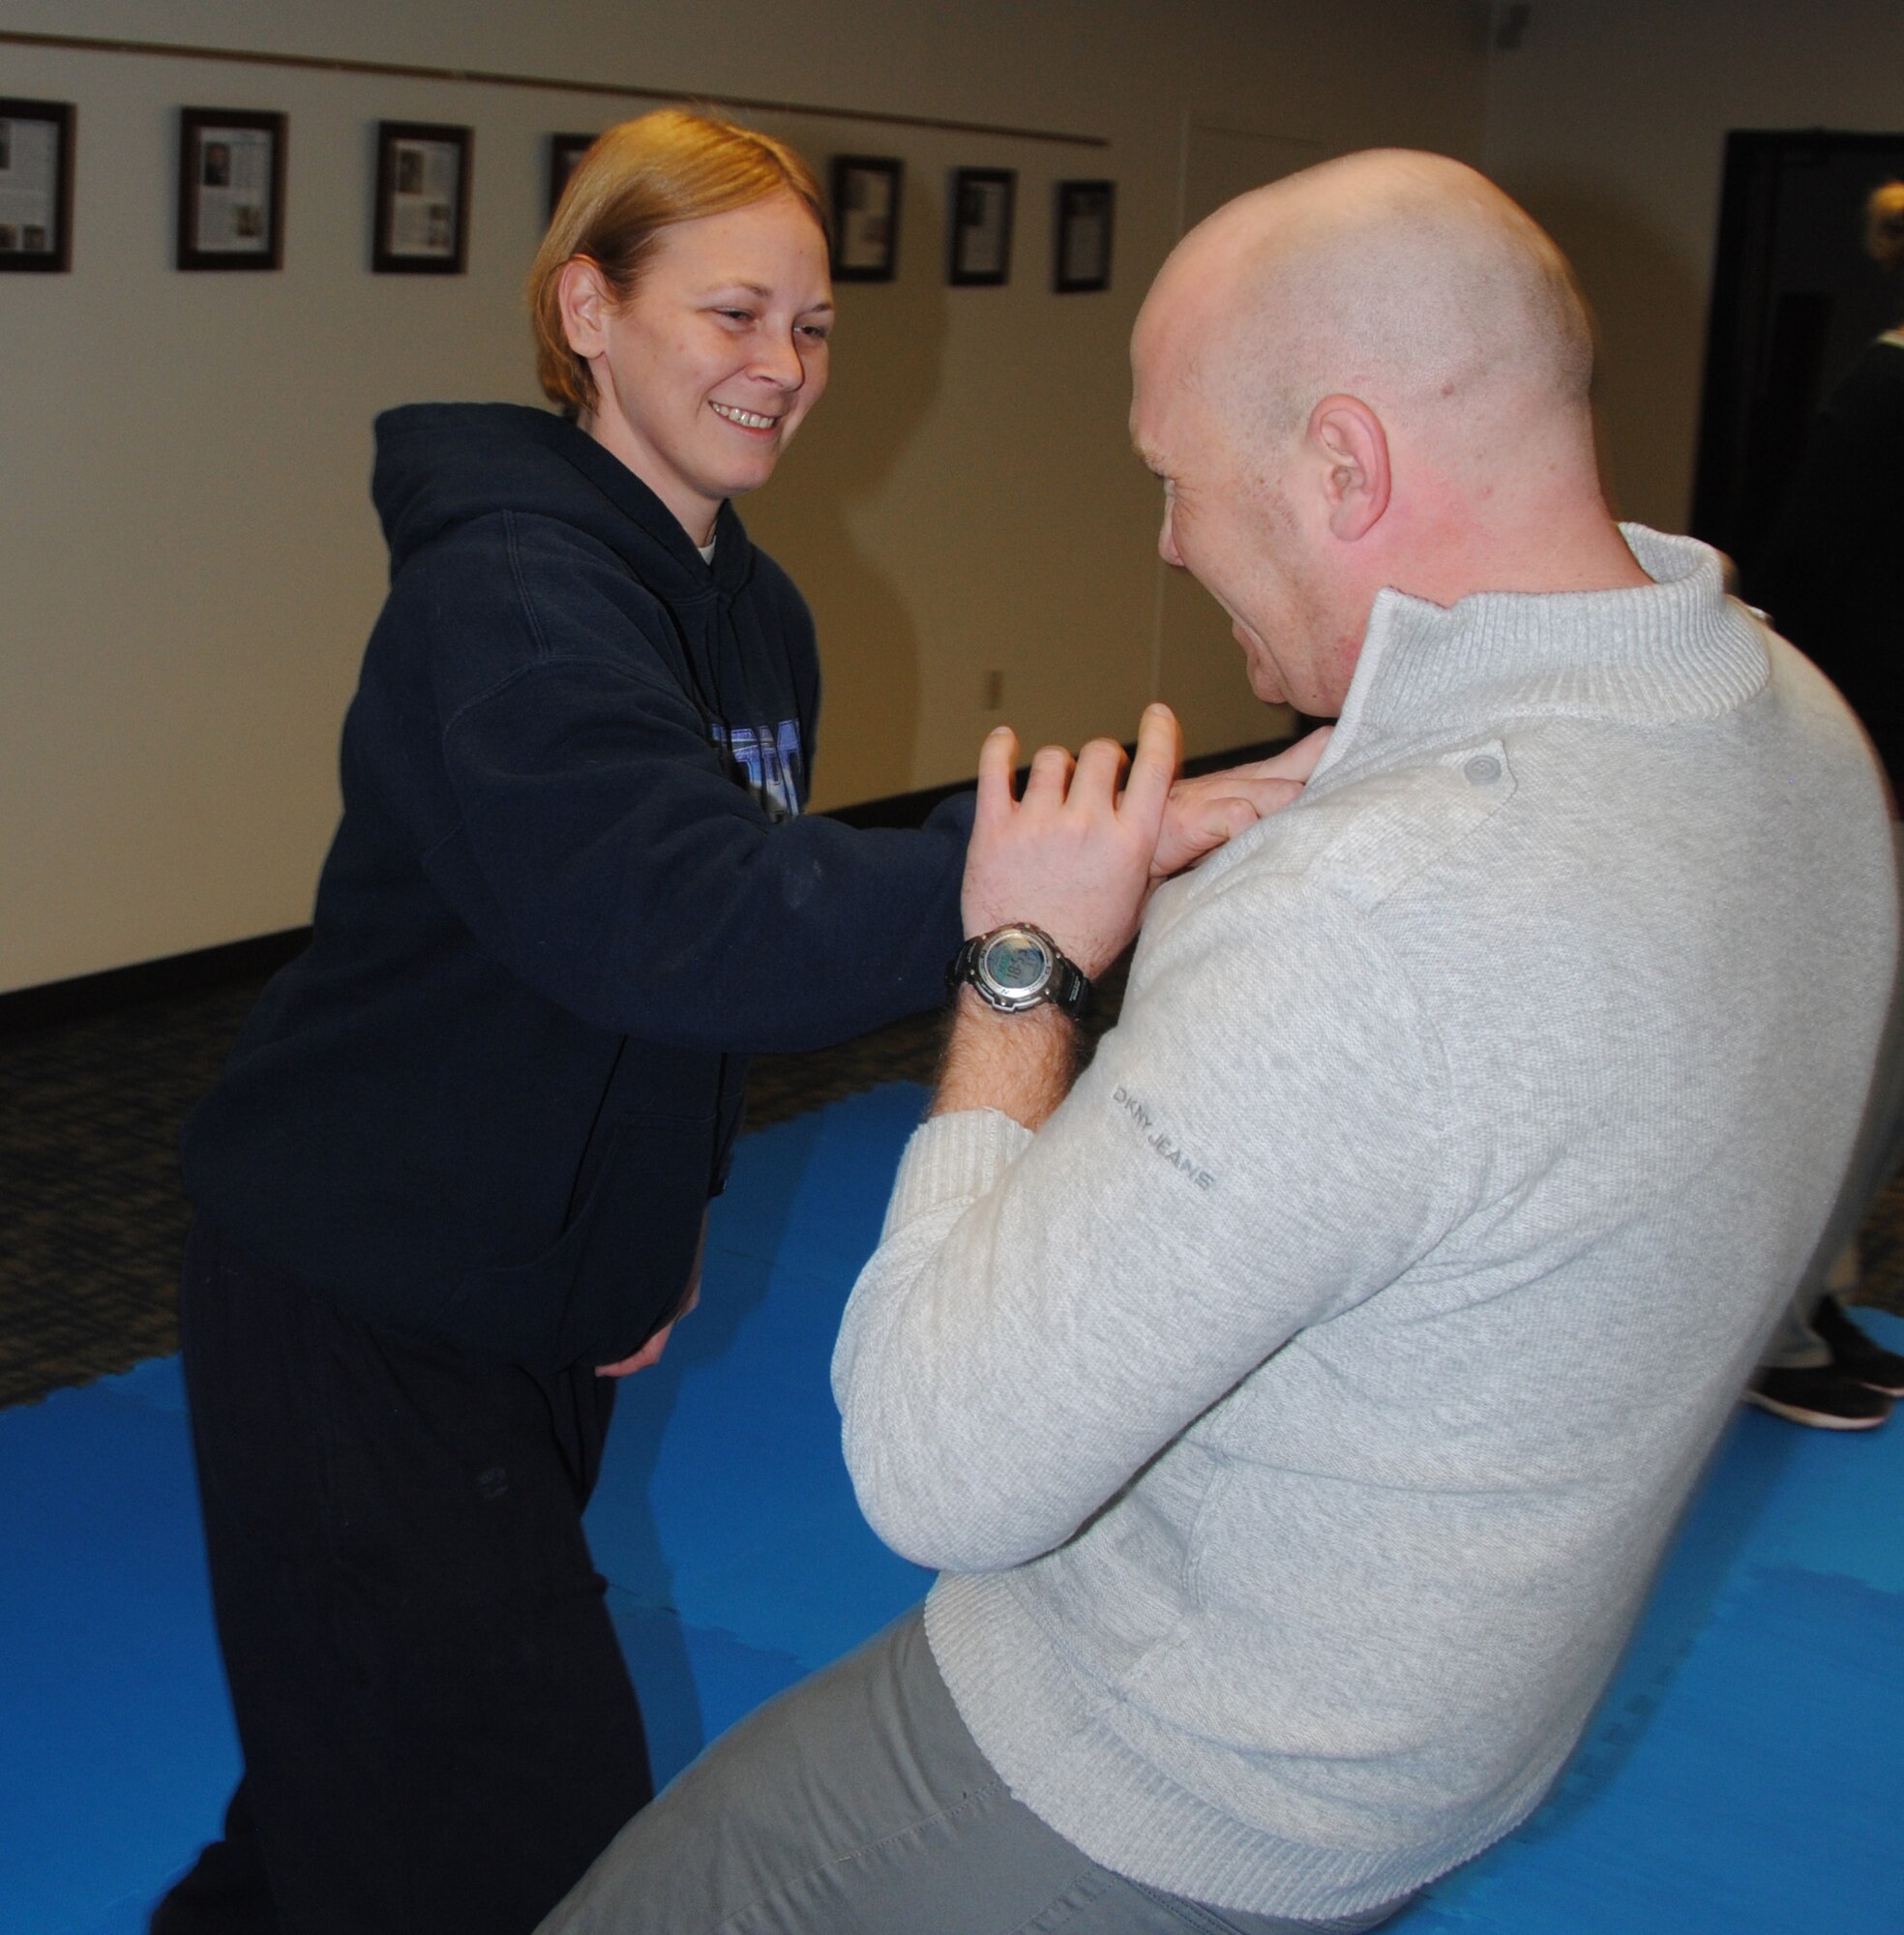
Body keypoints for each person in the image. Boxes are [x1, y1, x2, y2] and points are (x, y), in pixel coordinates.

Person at [538, 149, 1900, 1935]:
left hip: (1136, 1772)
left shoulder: (1373, 907)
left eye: (1176, 480)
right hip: (1438, 1756)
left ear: (1344, 463)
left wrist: (1026, 961)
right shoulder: (1797, 727)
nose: (1169, 539)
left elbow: (938, 1467)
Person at [153, 108, 1294, 1935]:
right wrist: (1069, 869)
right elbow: (676, 919)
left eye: (814, 327)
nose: (783, 369)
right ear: (587, 309)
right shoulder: (514, 603)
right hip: (366, 1299)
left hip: (525, 1291)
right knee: (524, 1850)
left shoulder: (743, 610)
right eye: (733, 314)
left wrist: (649, 1226)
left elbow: (710, 951)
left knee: (350, 1792)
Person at [1740, 179, 1904, 1429]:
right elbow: (1796, 589)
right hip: (1872, 780)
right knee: (1847, 1061)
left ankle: (1822, 1290)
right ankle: (1767, 1321)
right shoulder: (1885, 396)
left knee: (1890, 1078)